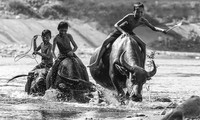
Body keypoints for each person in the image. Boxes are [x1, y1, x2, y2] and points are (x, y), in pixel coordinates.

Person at [88, 2, 167, 68]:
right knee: (105, 43)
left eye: (141, 12)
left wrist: (162, 30)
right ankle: (96, 62)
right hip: (119, 31)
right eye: (138, 11)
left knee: (143, 45)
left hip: (130, 32)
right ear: (134, 11)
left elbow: (153, 28)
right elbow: (116, 25)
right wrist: (123, 32)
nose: (139, 13)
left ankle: (142, 67)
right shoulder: (129, 17)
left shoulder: (143, 20)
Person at [50, 21, 78, 88]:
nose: (63, 32)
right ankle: (52, 85)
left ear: (67, 30)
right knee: (53, 69)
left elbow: (75, 47)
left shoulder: (69, 36)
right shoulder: (56, 38)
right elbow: (52, 51)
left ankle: (87, 82)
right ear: (58, 29)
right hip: (61, 56)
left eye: (65, 30)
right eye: (61, 30)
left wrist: (72, 51)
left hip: (71, 55)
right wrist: (55, 58)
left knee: (82, 66)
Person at [26, 29, 53, 94]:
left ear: (50, 38)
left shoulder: (50, 46)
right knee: (30, 73)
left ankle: (48, 90)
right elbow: (35, 49)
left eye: (47, 37)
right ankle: (27, 92)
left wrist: (37, 53)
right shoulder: (41, 44)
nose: (45, 39)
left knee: (46, 77)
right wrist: (35, 41)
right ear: (41, 37)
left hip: (49, 64)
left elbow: (47, 56)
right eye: (43, 37)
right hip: (42, 64)